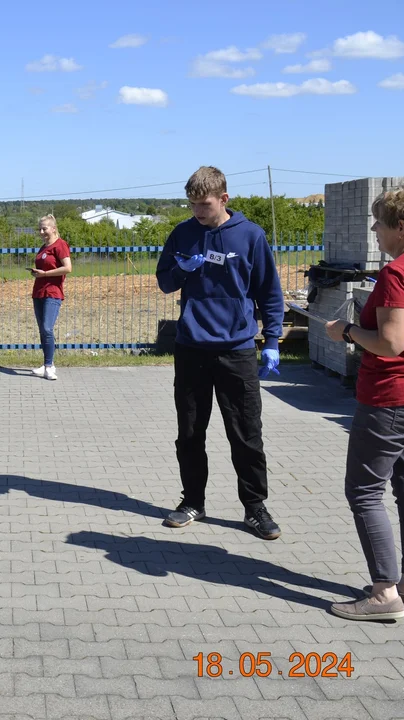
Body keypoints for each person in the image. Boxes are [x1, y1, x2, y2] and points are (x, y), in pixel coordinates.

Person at [324, 184, 404, 621]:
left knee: (363, 491)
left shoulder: (399, 274)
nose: (375, 230)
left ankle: (384, 594)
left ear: (401, 227)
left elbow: (391, 343)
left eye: (379, 223)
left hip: (393, 399)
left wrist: (345, 331)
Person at [155, 165, 285, 540]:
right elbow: (164, 282)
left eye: (205, 204)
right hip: (192, 347)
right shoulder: (182, 234)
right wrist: (181, 270)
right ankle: (193, 501)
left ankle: (255, 507)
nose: (198, 211)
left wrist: (272, 342)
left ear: (224, 199)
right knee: (191, 432)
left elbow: (269, 293)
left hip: (237, 350)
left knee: (245, 433)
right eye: (193, 204)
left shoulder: (250, 236)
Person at [29, 214, 72, 380]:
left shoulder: (60, 245)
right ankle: (47, 363)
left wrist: (45, 273)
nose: (41, 232)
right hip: (39, 292)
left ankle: (49, 366)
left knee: (47, 328)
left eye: (44, 228)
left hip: (53, 292)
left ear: (53, 228)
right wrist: (37, 273)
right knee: (42, 330)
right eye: (39, 229)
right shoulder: (43, 248)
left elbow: (67, 268)